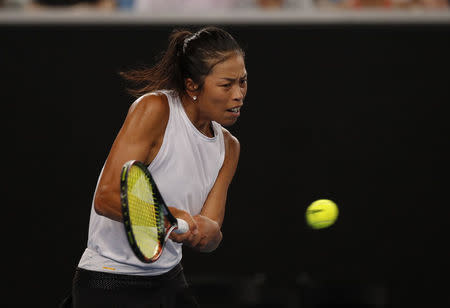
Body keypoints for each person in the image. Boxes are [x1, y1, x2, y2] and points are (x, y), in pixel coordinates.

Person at [69, 26, 247, 307]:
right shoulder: (155, 109)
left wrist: (210, 235)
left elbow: (210, 230)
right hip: (110, 281)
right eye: (226, 85)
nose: (238, 95)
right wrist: (166, 217)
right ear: (192, 86)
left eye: (243, 82)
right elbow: (105, 199)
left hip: (169, 281)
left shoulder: (229, 147)